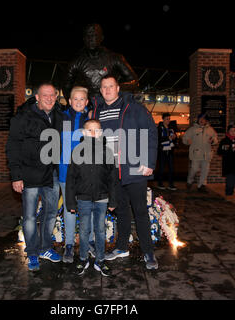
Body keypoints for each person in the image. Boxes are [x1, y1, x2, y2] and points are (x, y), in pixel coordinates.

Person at [91, 74, 159, 270]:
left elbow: (151, 133)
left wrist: (149, 162)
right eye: (104, 87)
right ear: (101, 89)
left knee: (140, 212)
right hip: (112, 173)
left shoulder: (134, 108)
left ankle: (148, 252)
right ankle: (122, 247)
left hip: (135, 169)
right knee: (121, 212)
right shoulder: (97, 111)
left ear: (118, 88)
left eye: (111, 86)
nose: (107, 90)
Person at [6, 82, 64, 271]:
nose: (49, 98)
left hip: (51, 175)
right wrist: (16, 175)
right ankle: (32, 252)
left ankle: (45, 248)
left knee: (50, 214)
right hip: (29, 175)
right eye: (45, 95)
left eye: (52, 95)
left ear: (56, 97)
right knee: (30, 217)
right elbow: (13, 146)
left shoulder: (59, 116)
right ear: (37, 97)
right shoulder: (23, 117)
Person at [65, 119, 118, 276]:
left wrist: (113, 199)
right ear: (83, 132)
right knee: (84, 230)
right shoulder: (77, 152)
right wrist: (70, 201)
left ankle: (100, 260)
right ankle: (83, 259)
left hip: (102, 198)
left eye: (97, 130)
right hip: (83, 199)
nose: (93, 134)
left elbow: (113, 179)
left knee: (100, 230)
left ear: (101, 133)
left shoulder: (107, 152)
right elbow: (70, 179)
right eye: (90, 130)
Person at [58, 86, 96, 263]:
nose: (79, 102)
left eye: (82, 99)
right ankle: (69, 244)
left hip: (86, 172)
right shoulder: (62, 117)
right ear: (70, 101)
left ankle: (89, 241)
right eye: (75, 99)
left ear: (86, 102)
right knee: (69, 209)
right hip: (66, 171)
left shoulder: (91, 119)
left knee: (87, 208)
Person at [64, 24, 138, 103]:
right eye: (88, 36)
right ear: (84, 39)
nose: (91, 39)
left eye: (94, 35)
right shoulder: (75, 61)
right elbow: (66, 87)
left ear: (101, 38)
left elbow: (134, 81)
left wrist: (112, 89)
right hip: (87, 107)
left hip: (109, 104)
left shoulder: (115, 58)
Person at [182, 113, 218, 192]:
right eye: (200, 118)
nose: (202, 120)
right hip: (196, 153)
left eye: (204, 119)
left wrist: (213, 141)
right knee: (194, 169)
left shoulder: (210, 130)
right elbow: (185, 138)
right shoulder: (192, 129)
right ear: (198, 120)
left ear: (206, 120)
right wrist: (187, 141)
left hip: (207, 153)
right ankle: (189, 181)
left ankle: (201, 185)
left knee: (205, 170)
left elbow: (215, 139)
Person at [217, 125, 235, 196]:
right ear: (228, 131)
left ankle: (229, 193)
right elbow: (219, 152)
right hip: (227, 163)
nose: (233, 132)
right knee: (229, 178)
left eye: (234, 131)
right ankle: (229, 192)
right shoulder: (224, 140)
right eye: (231, 131)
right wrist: (224, 149)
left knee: (232, 178)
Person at [156, 112, 178, 190]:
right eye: (166, 119)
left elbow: (174, 139)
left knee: (171, 168)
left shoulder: (171, 128)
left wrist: (175, 138)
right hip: (162, 150)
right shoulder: (159, 128)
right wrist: (168, 138)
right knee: (161, 168)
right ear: (163, 119)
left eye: (169, 119)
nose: (168, 120)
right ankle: (160, 183)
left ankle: (171, 184)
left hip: (170, 150)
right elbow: (158, 139)